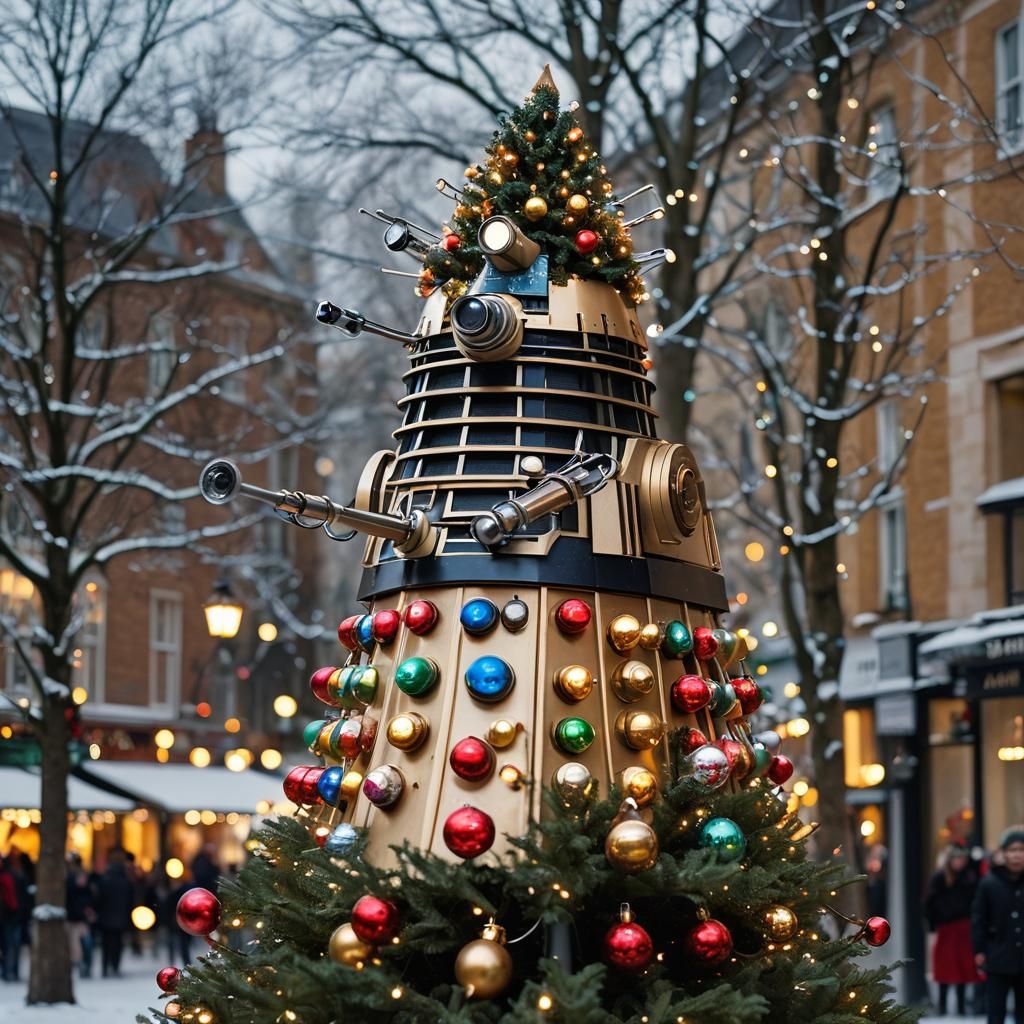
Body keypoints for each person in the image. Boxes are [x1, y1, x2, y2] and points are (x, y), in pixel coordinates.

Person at [973, 826, 1024, 1024]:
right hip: (998, 958)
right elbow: (979, 919)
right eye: (1012, 850)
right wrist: (979, 950)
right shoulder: (989, 883)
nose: (1017, 856)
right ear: (1003, 854)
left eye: (1021, 850)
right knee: (996, 1013)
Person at [926, 844, 981, 1015]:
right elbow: (929, 903)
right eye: (957, 859)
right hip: (946, 928)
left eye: (962, 859)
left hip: (964, 928)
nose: (960, 862)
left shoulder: (969, 877)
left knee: (963, 968)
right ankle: (942, 1007)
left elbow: (976, 900)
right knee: (945, 968)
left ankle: (962, 1008)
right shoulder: (939, 878)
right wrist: (934, 924)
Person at [97, 848, 133, 977]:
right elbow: (130, 901)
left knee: (106, 944)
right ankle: (115, 966)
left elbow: (99, 899)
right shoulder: (125, 881)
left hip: (106, 917)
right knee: (118, 943)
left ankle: (105, 967)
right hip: (120, 917)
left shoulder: (105, 880)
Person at [65, 852, 96, 978]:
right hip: (74, 915)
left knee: (84, 943)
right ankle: (81, 965)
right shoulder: (70, 877)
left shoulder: (81, 876)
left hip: (80, 916)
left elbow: (87, 895)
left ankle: (85, 965)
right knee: (77, 945)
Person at [0, 856, 20, 981]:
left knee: (9, 945)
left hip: (8, 916)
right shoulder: (10, 876)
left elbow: (12, 900)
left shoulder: (7, 877)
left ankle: (9, 971)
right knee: (9, 945)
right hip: (8, 916)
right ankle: (9, 970)